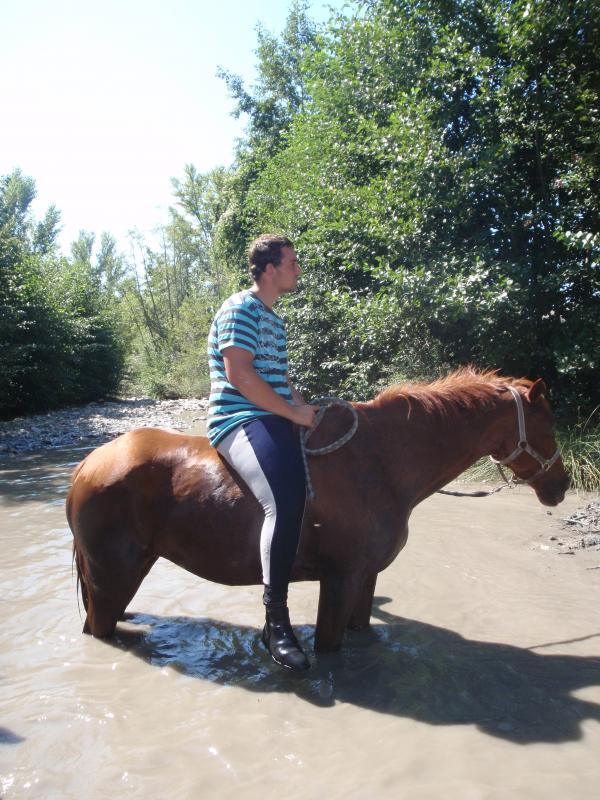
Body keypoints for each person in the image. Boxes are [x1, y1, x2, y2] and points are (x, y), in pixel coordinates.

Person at [207, 234, 318, 671]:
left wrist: (305, 408)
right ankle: (276, 622)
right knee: (284, 500)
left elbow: (280, 378)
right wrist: (291, 412)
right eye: (291, 263)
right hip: (238, 419)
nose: (297, 270)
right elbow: (240, 375)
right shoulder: (241, 308)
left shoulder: (275, 319)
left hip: (273, 414)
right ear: (269, 268)